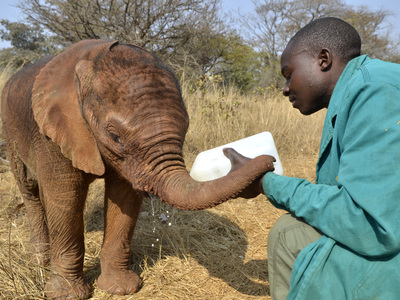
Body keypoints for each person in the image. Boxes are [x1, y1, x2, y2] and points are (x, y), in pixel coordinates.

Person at [224, 17, 400, 299]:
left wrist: (266, 183)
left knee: (288, 236)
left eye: (288, 73)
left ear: (323, 59)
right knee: (292, 229)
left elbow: (368, 224)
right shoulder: (352, 94)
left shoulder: (375, 92)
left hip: (386, 243)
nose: (284, 89)